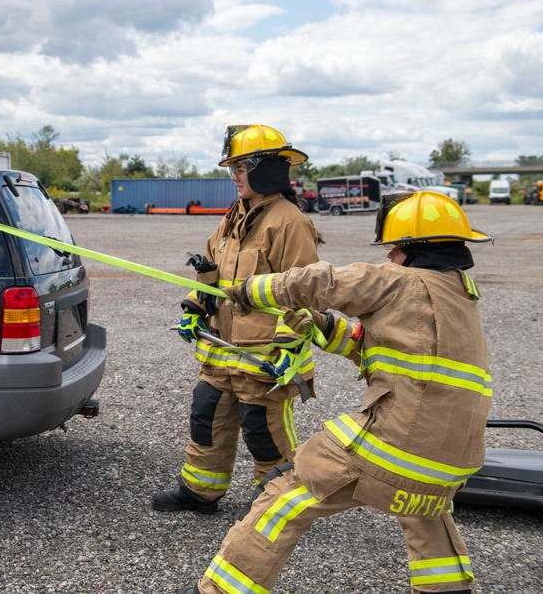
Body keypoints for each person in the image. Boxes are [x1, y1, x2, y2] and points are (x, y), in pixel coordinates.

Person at [178, 190, 493, 594]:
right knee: (422, 506)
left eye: (395, 248)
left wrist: (248, 292)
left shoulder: (398, 280)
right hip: (452, 459)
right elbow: (378, 348)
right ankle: (449, 589)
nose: (390, 256)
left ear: (414, 250)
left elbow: (319, 281)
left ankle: (219, 591)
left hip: (396, 443)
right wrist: (322, 327)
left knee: (285, 492)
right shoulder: (460, 296)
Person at [153, 124, 321, 515]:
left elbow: (306, 294)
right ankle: (200, 491)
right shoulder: (234, 217)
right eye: (232, 169)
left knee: (264, 431)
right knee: (207, 415)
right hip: (222, 349)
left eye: (241, 168)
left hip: (264, 358)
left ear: (266, 169)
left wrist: (288, 347)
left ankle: (278, 503)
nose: (234, 178)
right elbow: (215, 273)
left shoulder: (289, 222)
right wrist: (195, 307)